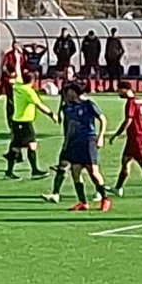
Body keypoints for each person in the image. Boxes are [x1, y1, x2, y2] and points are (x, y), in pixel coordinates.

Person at [54, 83, 113, 212]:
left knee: (93, 171)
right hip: (74, 142)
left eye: (68, 92)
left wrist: (101, 137)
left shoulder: (88, 104)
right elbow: (68, 126)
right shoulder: (67, 108)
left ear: (73, 92)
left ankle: (105, 198)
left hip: (88, 140)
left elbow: (103, 119)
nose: (66, 95)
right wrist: (66, 143)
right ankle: (83, 202)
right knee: (75, 171)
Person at [110, 81, 142, 197]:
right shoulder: (141, 101)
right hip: (139, 136)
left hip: (136, 137)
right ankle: (118, 188)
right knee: (125, 161)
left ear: (125, 89)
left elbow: (129, 120)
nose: (118, 92)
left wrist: (116, 134)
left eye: (119, 90)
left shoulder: (131, 102)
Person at [5, 70, 57, 180]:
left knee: (17, 146)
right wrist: (52, 114)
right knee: (30, 145)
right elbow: (40, 105)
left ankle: (9, 172)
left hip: (17, 121)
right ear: (33, 81)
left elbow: (15, 78)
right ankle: (34, 171)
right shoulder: (29, 92)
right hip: (24, 122)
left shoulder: (18, 86)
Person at [43, 66, 80, 202]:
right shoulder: (65, 88)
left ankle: (101, 193)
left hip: (81, 138)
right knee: (66, 165)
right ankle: (55, 193)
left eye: (69, 72)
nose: (66, 74)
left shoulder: (78, 89)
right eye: (65, 72)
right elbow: (62, 101)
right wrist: (59, 112)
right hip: (70, 133)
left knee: (89, 169)